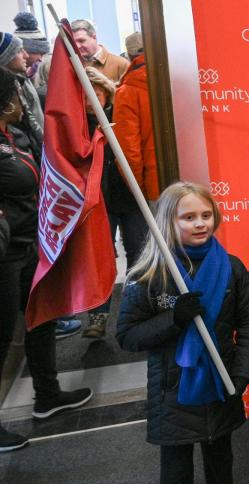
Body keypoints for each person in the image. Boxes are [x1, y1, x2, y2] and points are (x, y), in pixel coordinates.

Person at [115, 182, 249, 484]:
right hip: (173, 389)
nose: (200, 224)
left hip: (221, 380)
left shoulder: (230, 266)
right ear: (169, 221)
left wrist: (244, 372)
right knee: (177, 476)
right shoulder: (150, 272)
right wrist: (174, 319)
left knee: (221, 457)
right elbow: (127, 336)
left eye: (205, 215)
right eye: (188, 217)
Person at [0, 67, 92, 432]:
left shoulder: (16, 136)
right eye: (15, 94)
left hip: (28, 246)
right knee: (3, 337)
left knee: (41, 318)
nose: (21, 100)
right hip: (4, 255)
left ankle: (47, 395)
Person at [82, 66, 149, 339]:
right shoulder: (78, 123)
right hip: (98, 200)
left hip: (129, 195)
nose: (90, 101)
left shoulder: (122, 112)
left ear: (105, 91)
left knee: (138, 252)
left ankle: (138, 307)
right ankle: (98, 316)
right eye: (84, 96)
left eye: (94, 93)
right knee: (100, 257)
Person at [112, 32, 159, 202]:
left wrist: (137, 185)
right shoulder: (178, 77)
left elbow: (129, 149)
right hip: (193, 177)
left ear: (130, 56)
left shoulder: (127, 92)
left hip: (156, 182)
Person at [12, 12, 51, 98]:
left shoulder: (23, 75)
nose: (41, 59)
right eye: (39, 53)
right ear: (25, 50)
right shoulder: (10, 78)